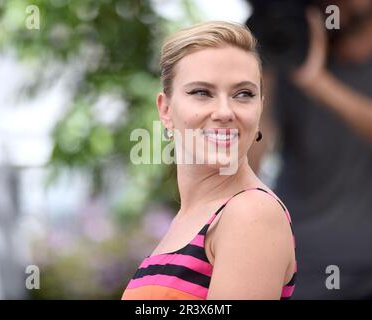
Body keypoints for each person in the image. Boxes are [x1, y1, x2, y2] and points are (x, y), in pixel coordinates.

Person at [121, 21, 296, 300]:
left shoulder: (251, 213)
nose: (225, 112)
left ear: (260, 107)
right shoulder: (191, 218)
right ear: (165, 110)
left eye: (243, 94)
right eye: (202, 92)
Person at [248, 0, 372, 299]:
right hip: (292, 275)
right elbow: (246, 168)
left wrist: (316, 81)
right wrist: (260, 76)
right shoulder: (286, 66)